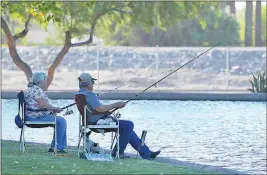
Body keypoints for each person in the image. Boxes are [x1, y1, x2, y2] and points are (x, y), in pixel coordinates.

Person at [76, 72, 161, 159]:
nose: (93, 84)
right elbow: (100, 109)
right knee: (129, 125)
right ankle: (118, 152)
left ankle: (146, 153)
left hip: (92, 121)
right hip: (97, 123)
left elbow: (95, 110)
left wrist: (110, 110)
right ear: (88, 83)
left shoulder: (80, 94)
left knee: (128, 129)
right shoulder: (88, 94)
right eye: (92, 82)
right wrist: (116, 105)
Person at [24, 72, 67, 153]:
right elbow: (43, 104)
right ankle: (57, 148)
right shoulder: (37, 90)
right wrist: (56, 109)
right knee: (61, 121)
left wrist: (52, 110)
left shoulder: (32, 89)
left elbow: (38, 105)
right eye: (45, 80)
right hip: (36, 118)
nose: (46, 81)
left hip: (32, 116)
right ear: (40, 81)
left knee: (59, 120)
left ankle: (55, 147)